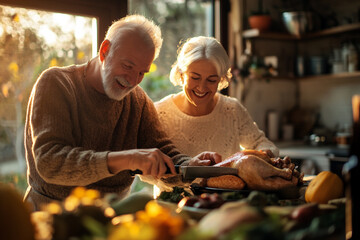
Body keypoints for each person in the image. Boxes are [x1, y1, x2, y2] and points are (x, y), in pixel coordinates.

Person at [23, 15, 221, 211]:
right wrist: (128, 159)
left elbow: (163, 152)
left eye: (142, 72)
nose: (133, 79)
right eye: (128, 66)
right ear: (104, 50)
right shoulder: (56, 83)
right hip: (49, 215)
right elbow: (50, 162)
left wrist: (191, 165)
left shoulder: (138, 101)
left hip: (113, 216)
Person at [155, 36, 279, 160]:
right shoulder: (161, 113)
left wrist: (265, 153)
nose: (202, 87)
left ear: (221, 80)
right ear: (181, 74)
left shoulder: (232, 110)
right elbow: (148, 171)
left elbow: (261, 143)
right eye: (195, 77)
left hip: (227, 181)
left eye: (211, 80)